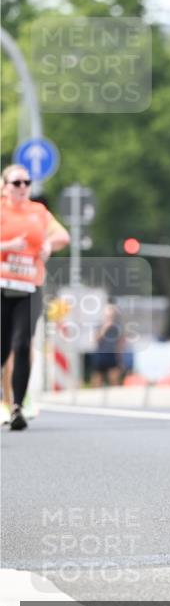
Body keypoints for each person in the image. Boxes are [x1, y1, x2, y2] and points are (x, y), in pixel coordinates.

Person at [1, 165, 70, 429]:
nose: (22, 187)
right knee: (2, 347)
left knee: (21, 344)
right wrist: (7, 246)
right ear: (5, 186)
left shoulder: (38, 212)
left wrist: (48, 245)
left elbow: (63, 235)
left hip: (29, 287)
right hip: (2, 286)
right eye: (16, 183)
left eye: (26, 183)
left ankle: (17, 407)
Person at [90, 301, 124, 387]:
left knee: (114, 378)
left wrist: (119, 355)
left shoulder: (117, 327)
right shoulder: (99, 325)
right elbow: (95, 339)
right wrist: (105, 327)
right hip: (101, 354)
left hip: (112, 354)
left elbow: (120, 342)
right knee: (97, 379)